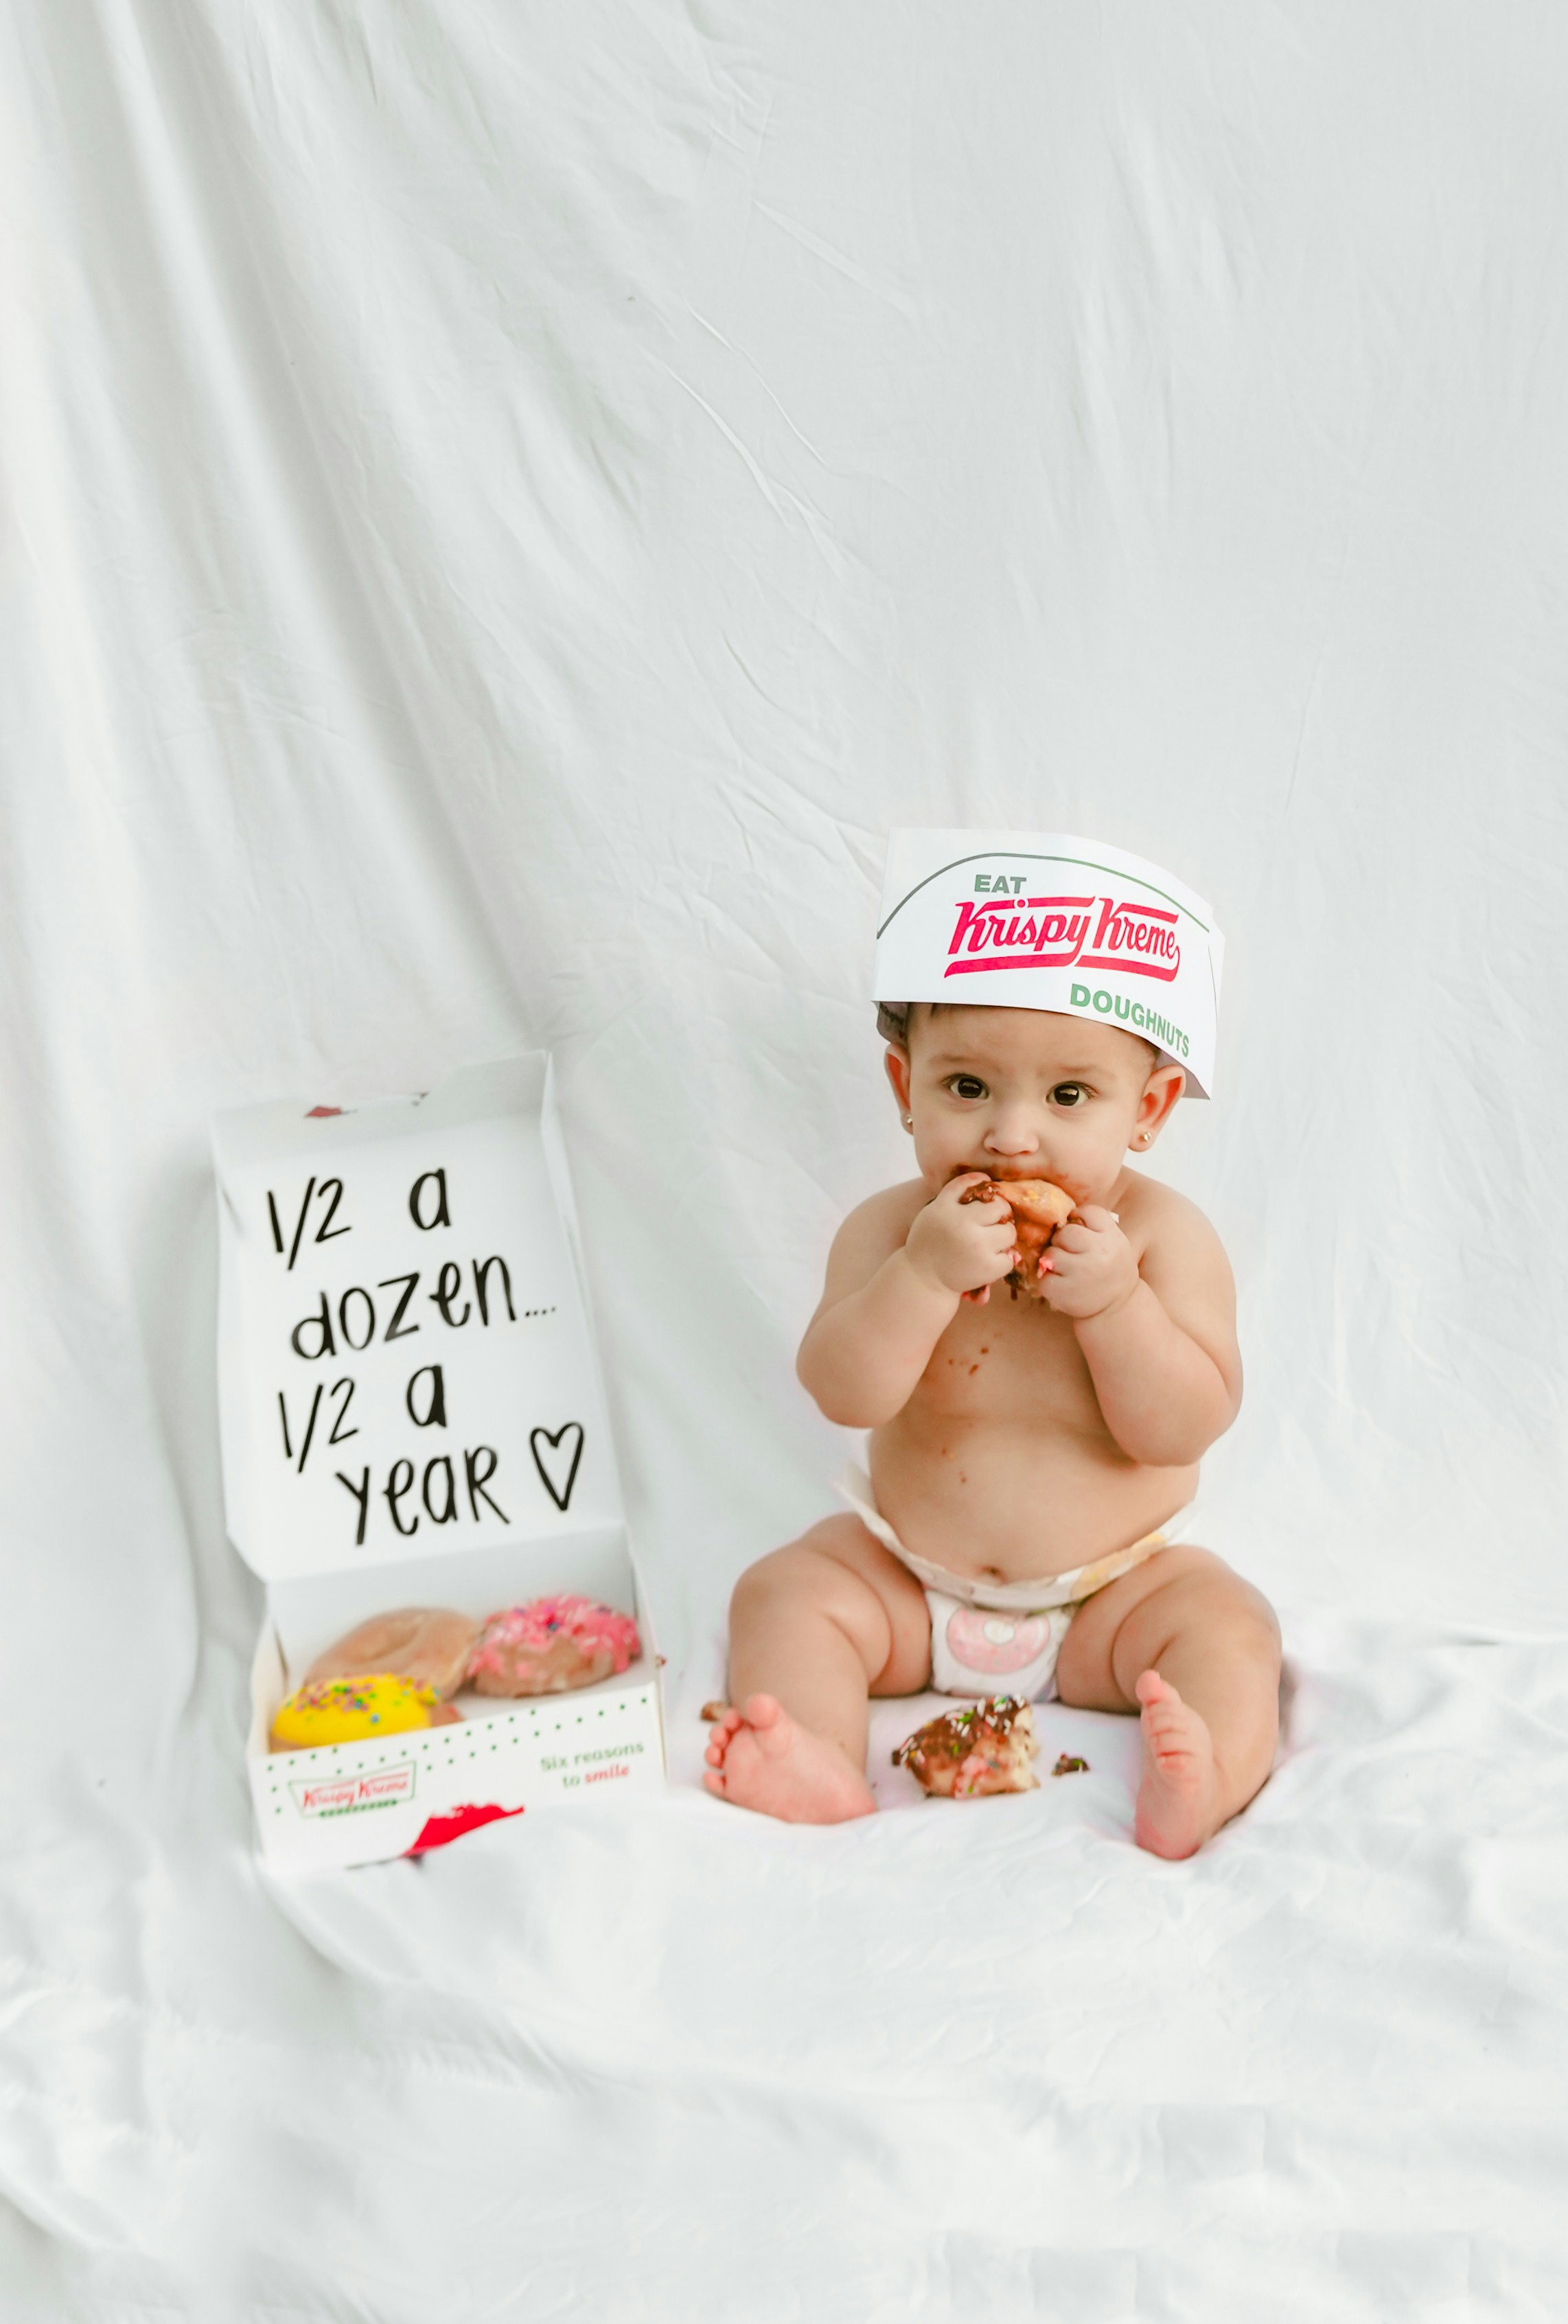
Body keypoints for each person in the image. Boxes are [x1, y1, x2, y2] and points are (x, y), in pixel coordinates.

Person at [704, 836, 1280, 1856]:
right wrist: (921, 1280)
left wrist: (1115, 1307)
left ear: (1145, 1109)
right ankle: (822, 1760)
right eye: (967, 1087)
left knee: (1232, 1627)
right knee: (783, 1593)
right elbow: (843, 1390)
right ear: (903, 1083)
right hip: (908, 1585)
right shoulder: (892, 1232)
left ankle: (1209, 1778)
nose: (1013, 1138)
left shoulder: (1163, 1240)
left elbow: (1184, 1427)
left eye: (1068, 1097)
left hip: (1112, 1598)